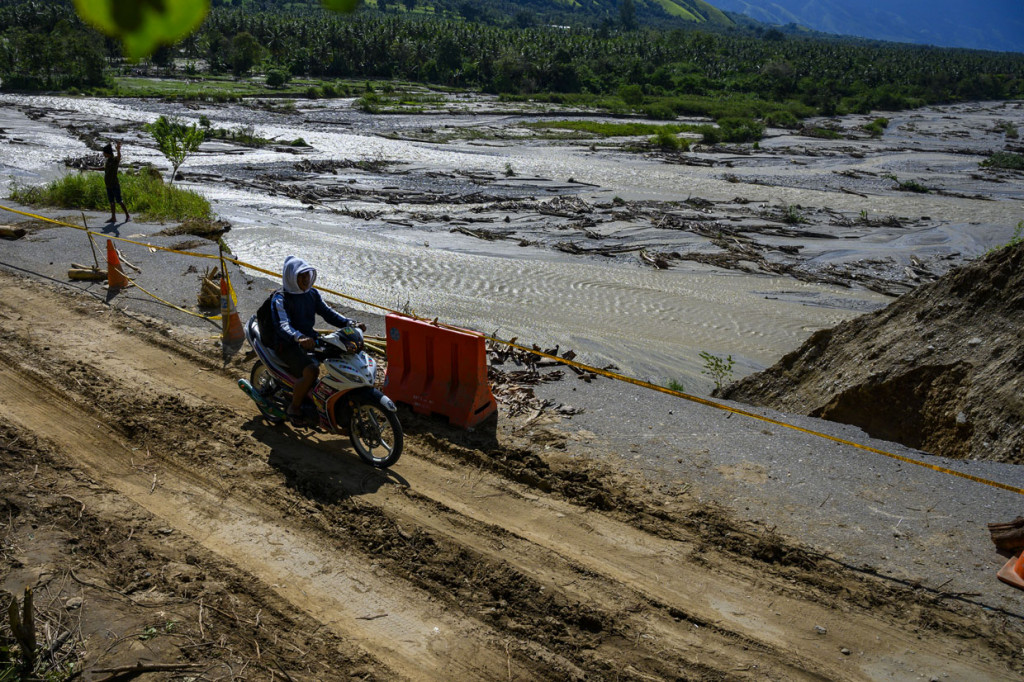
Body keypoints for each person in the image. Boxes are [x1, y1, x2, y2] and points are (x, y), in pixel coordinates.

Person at [261, 256, 365, 423]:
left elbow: (328, 313)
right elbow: (283, 326)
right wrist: (299, 337)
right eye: (300, 276)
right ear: (291, 277)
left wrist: (350, 323)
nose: (305, 279)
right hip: (286, 343)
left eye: (307, 275)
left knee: (339, 356)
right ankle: (294, 407)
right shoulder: (280, 299)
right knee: (311, 370)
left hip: (309, 337)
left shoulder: (312, 294)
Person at [103, 141, 130, 223]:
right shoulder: (107, 161)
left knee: (119, 201)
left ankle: (127, 216)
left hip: (114, 184)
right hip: (108, 185)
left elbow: (119, 157)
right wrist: (91, 168)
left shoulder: (114, 160)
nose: (103, 154)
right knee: (111, 202)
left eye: (104, 152)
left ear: (107, 153)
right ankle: (113, 217)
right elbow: (104, 169)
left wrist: (118, 150)